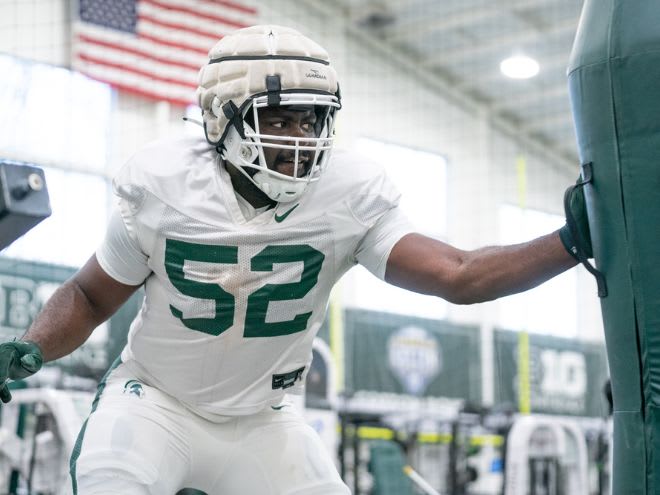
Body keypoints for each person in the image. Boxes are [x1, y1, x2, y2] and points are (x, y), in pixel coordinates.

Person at [0, 25, 588, 494]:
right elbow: (89, 294)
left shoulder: (348, 192)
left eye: (311, 119)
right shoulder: (163, 183)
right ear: (220, 118)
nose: (300, 138)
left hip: (264, 420)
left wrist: (569, 241)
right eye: (278, 119)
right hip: (155, 403)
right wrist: (34, 344)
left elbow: (458, 275)